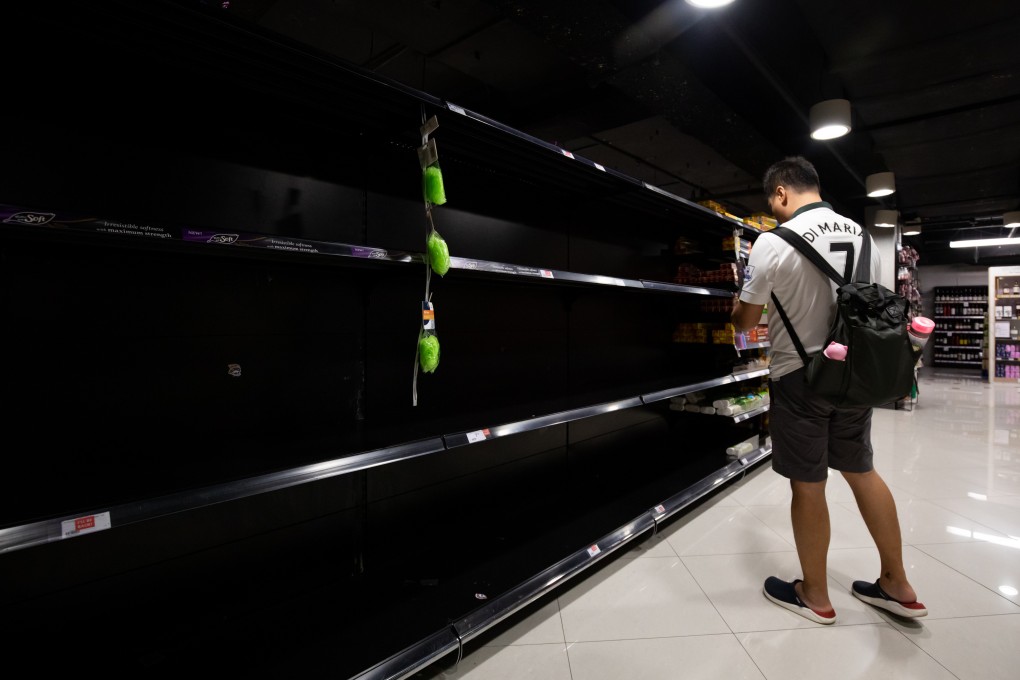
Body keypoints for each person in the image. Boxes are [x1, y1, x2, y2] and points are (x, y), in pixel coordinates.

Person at [730, 156, 927, 624]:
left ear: (780, 193)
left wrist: (744, 318)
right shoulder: (864, 238)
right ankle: (896, 581)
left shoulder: (770, 243)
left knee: (809, 483)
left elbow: (746, 321)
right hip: (855, 375)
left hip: (800, 377)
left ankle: (815, 594)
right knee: (862, 470)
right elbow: (877, 308)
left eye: (772, 202)